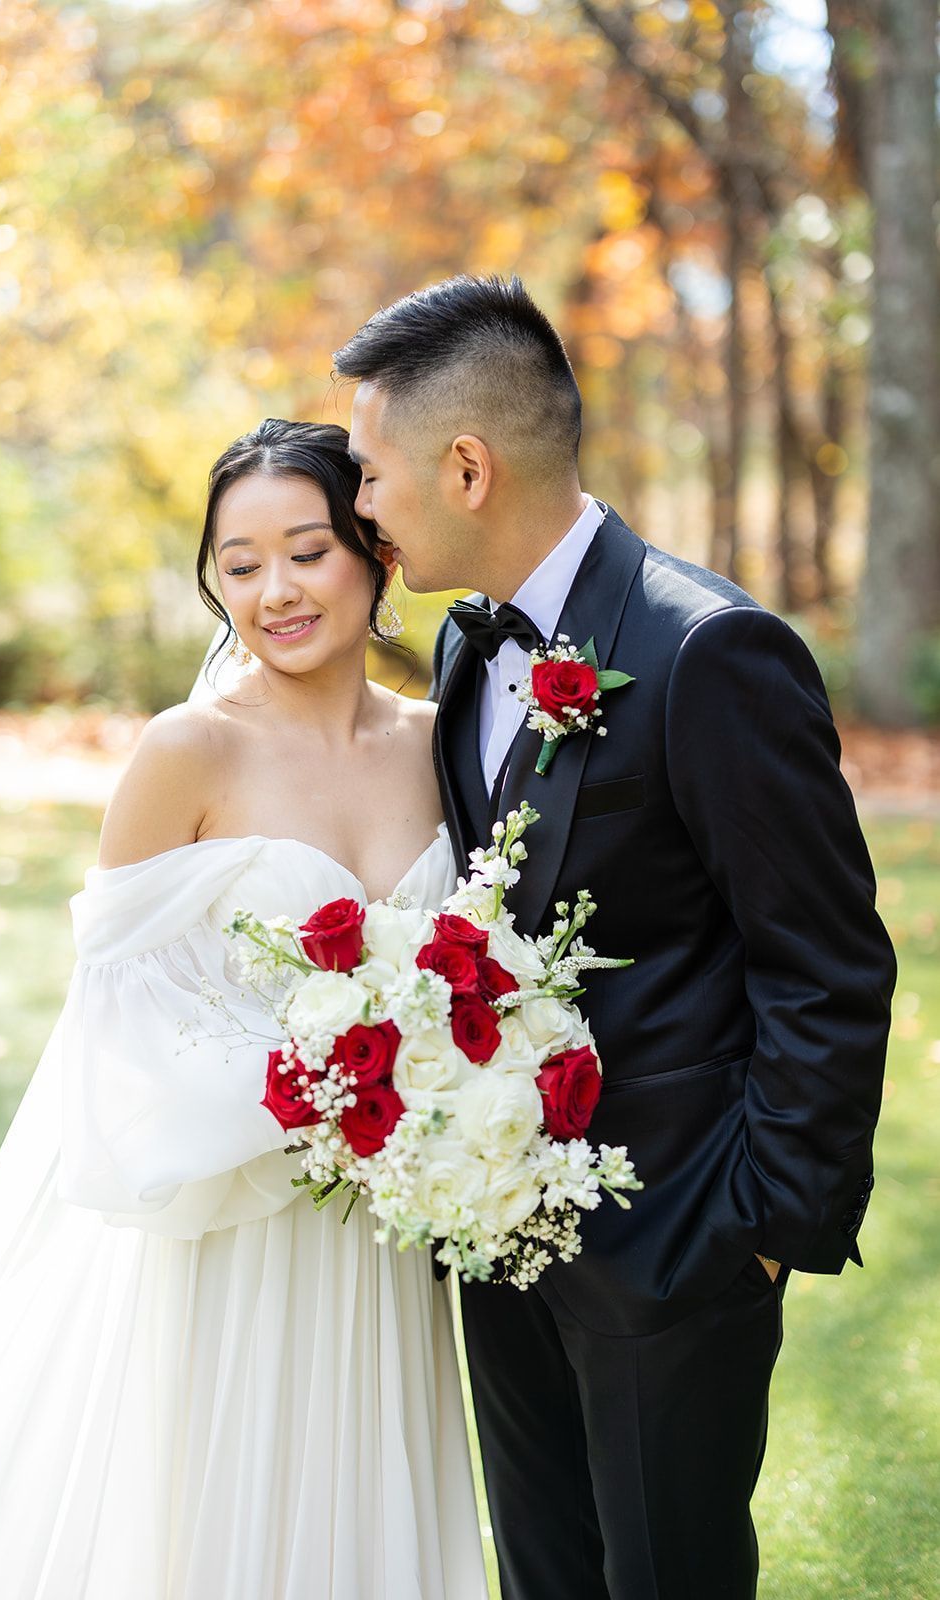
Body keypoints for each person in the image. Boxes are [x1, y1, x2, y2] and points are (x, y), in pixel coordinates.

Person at [335, 275, 897, 1600]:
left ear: (464, 466)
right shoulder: (469, 651)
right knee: (544, 1575)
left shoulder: (709, 651)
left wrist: (758, 1229)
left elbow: (823, 966)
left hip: (672, 1246)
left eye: (369, 470)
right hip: (495, 1232)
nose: (359, 505)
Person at [0, 419, 488, 1600]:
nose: (274, 591)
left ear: (375, 550)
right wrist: (317, 1093)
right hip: (232, 1221)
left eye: (306, 551)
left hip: (386, 1237)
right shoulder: (186, 752)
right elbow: (118, 1014)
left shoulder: (441, 746)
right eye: (239, 564)